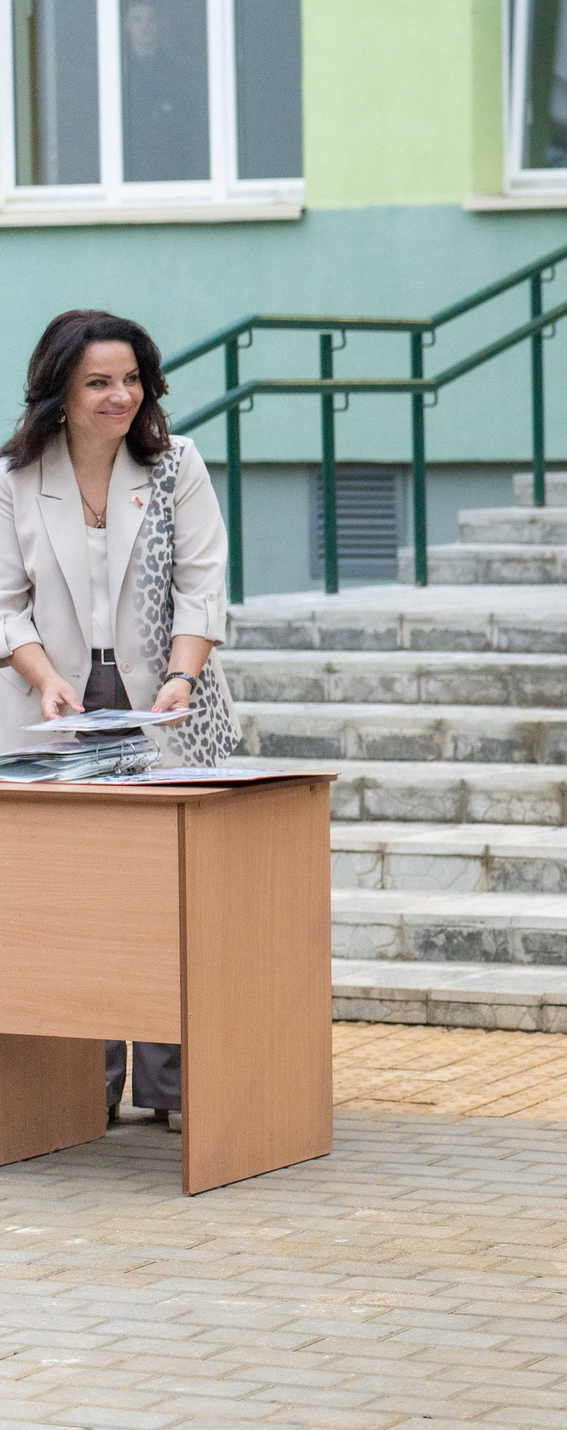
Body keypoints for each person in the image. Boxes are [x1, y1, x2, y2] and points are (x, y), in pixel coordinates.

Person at [0, 309, 240, 1134]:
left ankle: (174, 1089)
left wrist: (182, 674)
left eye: (131, 379)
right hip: (55, 710)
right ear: (59, 392)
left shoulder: (176, 465)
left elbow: (203, 588)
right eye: (99, 381)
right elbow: (5, 605)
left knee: (171, 896)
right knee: (76, 900)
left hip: (164, 702)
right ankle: (80, 1084)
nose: (120, 396)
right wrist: (45, 681)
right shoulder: (15, 476)